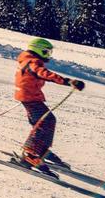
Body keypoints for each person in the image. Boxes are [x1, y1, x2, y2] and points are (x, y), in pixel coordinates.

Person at [14, 38, 85, 175]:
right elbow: (44, 74)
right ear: (38, 49)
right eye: (46, 52)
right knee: (45, 122)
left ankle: (40, 149)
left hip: (28, 96)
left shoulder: (26, 60)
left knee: (41, 122)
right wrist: (68, 81)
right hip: (30, 98)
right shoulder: (33, 62)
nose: (48, 55)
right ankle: (31, 154)